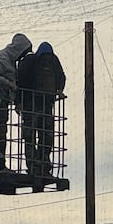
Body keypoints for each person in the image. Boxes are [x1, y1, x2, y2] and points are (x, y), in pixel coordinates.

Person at [0, 33, 32, 173]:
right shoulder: (2, 59)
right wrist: (8, 83)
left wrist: (15, 102)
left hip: (0, 101)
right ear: (18, 49)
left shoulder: (9, 60)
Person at [14, 40, 66, 180]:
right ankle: (44, 166)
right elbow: (62, 77)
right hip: (47, 104)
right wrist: (59, 90)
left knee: (29, 137)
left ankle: (32, 167)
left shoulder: (30, 61)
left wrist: (18, 102)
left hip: (30, 105)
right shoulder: (53, 61)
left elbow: (21, 82)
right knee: (46, 137)